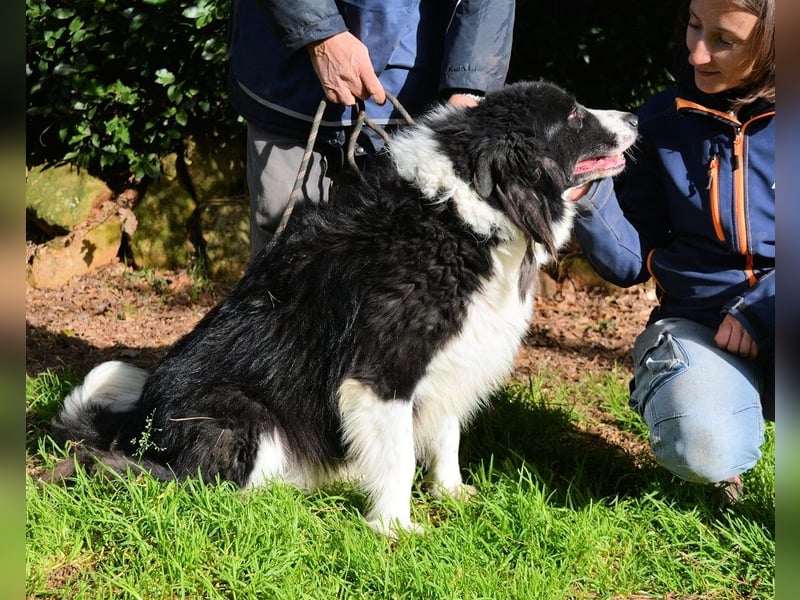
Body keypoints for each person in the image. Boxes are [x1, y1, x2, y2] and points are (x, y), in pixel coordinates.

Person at [568, 0, 774, 502]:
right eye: (694, 27)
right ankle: (712, 423)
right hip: (700, 324)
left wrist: (762, 311)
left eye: (724, 40)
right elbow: (630, 261)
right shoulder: (659, 122)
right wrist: (591, 196)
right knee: (705, 446)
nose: (697, 54)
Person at [227, 0, 516, 256]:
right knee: (282, 258)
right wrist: (319, 35)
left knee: (404, 267)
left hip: (413, 92)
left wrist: (470, 88)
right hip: (287, 73)